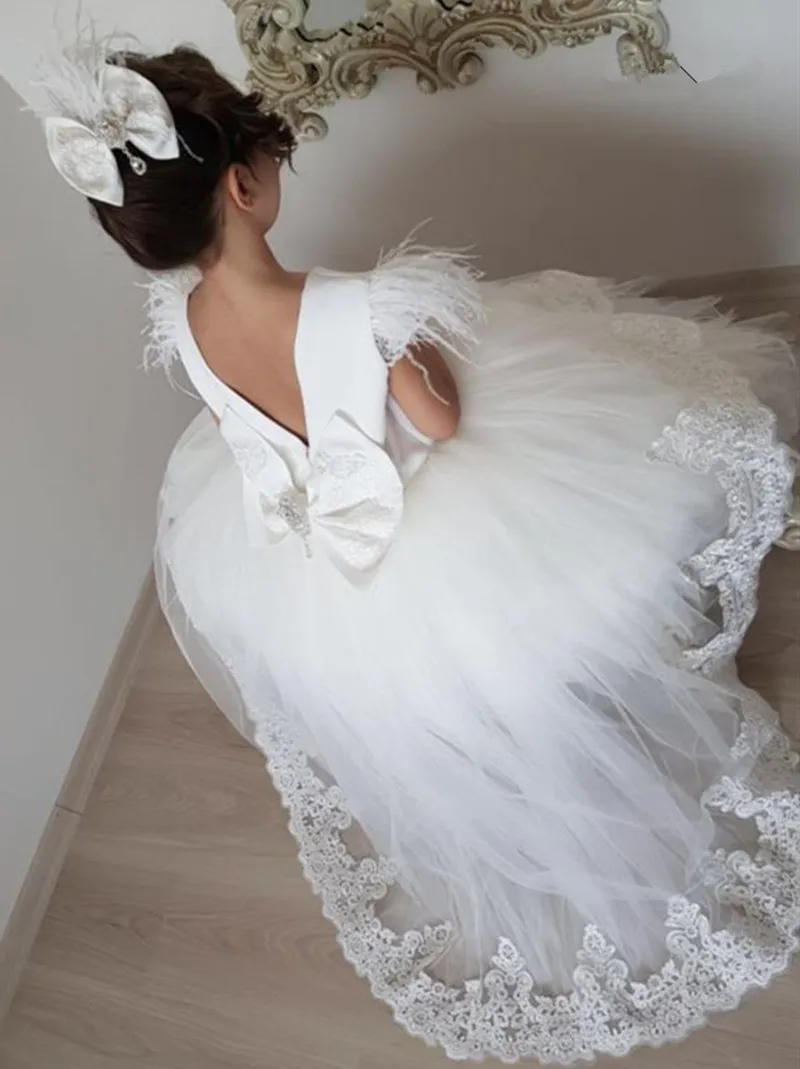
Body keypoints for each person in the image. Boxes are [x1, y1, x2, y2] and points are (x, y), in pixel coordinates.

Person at [34, 33, 800, 1065]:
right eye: (266, 159)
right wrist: (415, 348)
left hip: (312, 549)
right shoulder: (360, 308)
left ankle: (504, 736)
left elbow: (237, 427)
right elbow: (437, 424)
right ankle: (584, 720)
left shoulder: (185, 321)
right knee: (594, 508)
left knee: (435, 666)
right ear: (247, 187)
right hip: (433, 518)